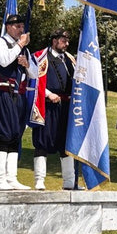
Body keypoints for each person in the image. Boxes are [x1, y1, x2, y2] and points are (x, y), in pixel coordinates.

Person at [0, 14, 36, 190]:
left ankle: (11, 178)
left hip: (18, 96)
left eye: (22, 26)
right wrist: (20, 45)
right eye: (17, 26)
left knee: (16, 136)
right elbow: (4, 60)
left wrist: (27, 65)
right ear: (8, 27)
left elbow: (35, 74)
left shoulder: (25, 50)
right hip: (2, 93)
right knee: (4, 135)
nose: (20, 30)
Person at [31, 29, 75, 189]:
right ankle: (39, 181)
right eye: (64, 40)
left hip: (66, 108)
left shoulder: (70, 60)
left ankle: (69, 182)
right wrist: (49, 94)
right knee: (42, 143)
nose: (67, 44)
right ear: (54, 40)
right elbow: (33, 80)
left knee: (66, 144)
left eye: (68, 40)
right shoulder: (40, 57)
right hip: (47, 106)